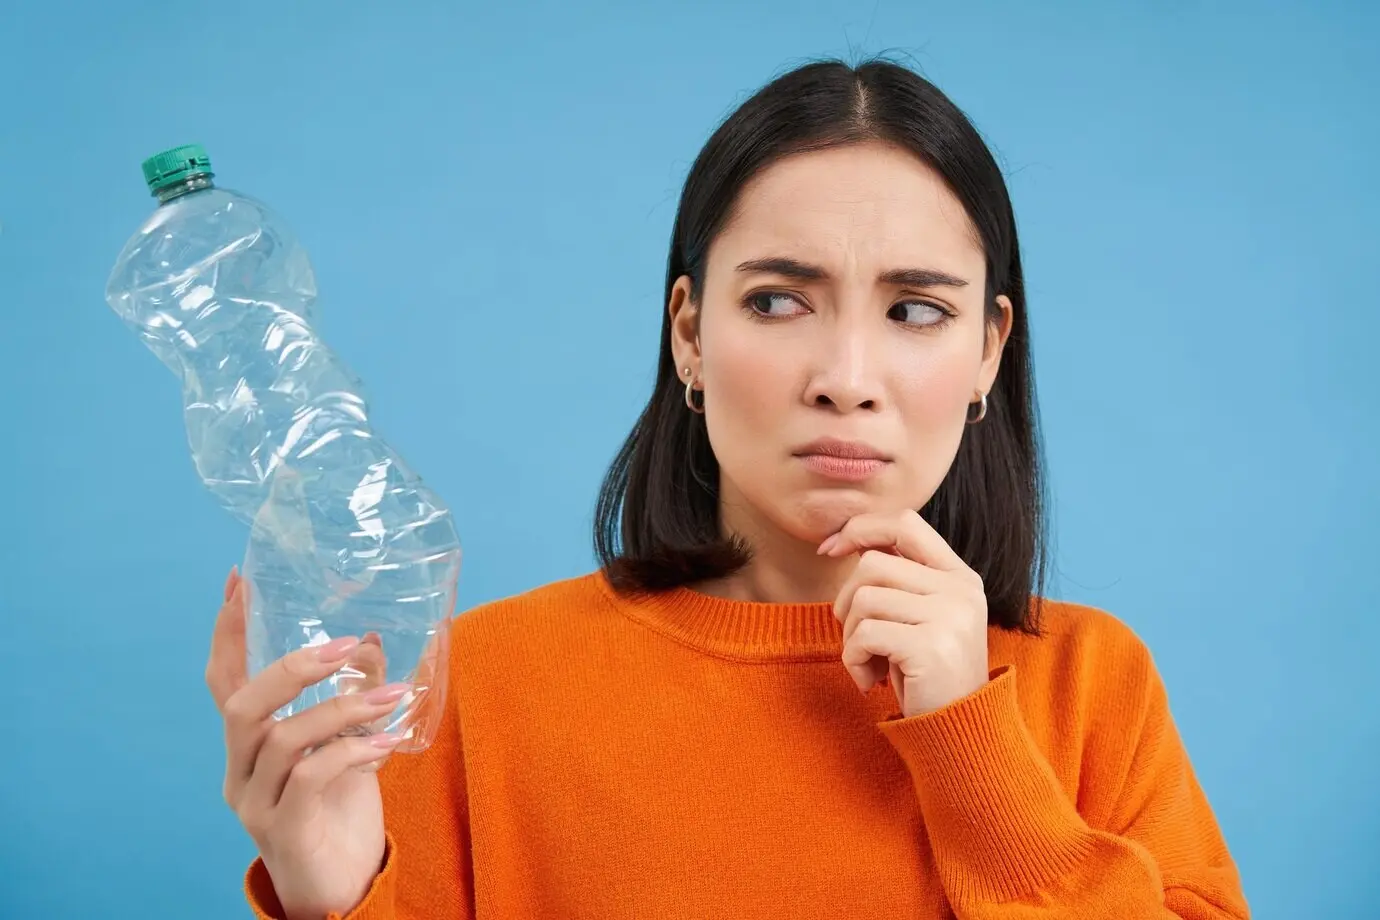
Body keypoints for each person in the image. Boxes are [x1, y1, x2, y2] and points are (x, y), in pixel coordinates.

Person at [205, 58, 1251, 920]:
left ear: (988, 351)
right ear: (690, 334)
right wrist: (332, 896)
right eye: (779, 300)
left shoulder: (1092, 687)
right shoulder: (481, 687)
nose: (845, 376)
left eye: (916, 311)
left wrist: (973, 745)